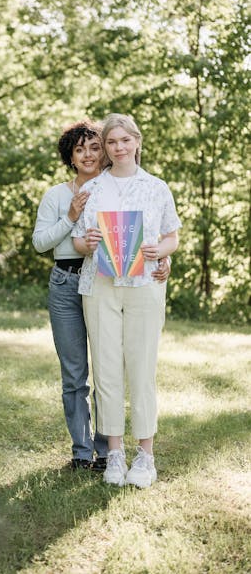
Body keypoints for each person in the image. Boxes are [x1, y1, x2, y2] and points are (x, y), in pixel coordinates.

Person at [32, 119, 169, 471]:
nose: (90, 154)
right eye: (81, 149)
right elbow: (42, 243)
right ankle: (83, 452)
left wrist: (162, 257)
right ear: (71, 157)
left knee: (112, 366)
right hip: (70, 282)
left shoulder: (127, 188)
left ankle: (109, 450)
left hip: (112, 281)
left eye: (95, 146)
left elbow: (151, 235)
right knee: (77, 372)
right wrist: (72, 216)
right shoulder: (61, 196)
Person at [71, 113, 181, 488]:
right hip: (100, 283)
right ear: (106, 147)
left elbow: (172, 237)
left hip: (145, 285)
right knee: (105, 368)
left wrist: (158, 250)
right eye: (111, 142)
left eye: (124, 141)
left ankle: (145, 456)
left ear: (137, 141)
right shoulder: (94, 189)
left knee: (141, 367)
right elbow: (77, 240)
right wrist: (87, 243)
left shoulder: (156, 187)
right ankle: (114, 453)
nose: (118, 148)